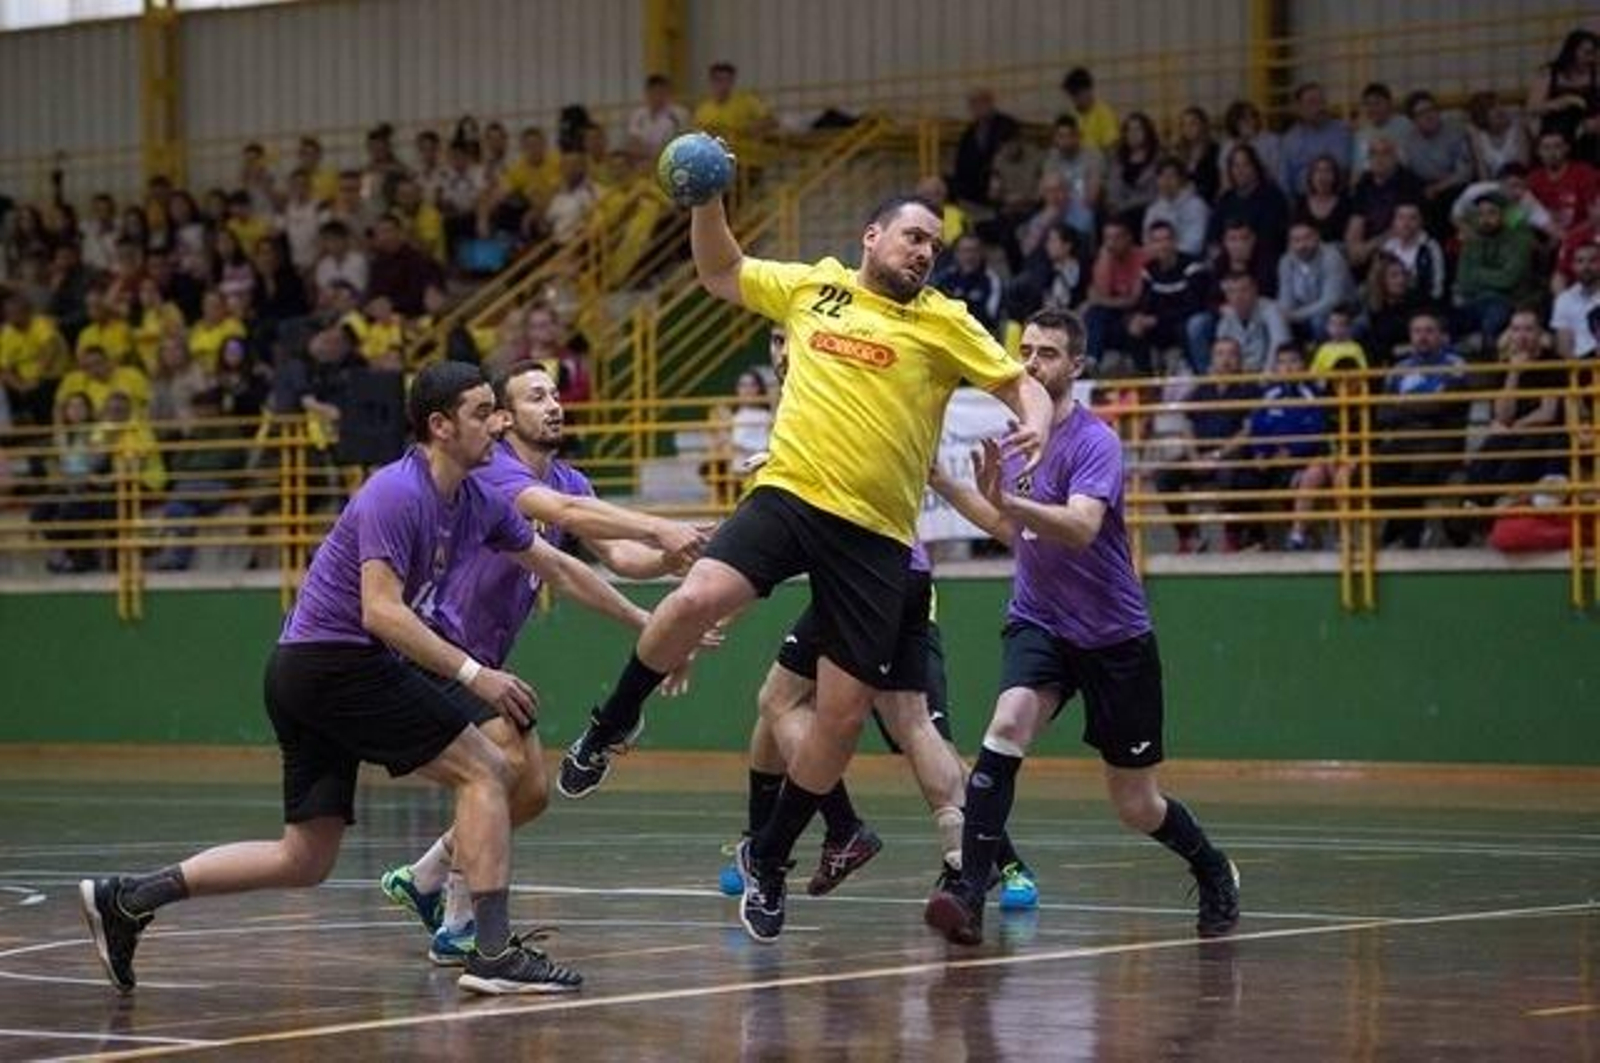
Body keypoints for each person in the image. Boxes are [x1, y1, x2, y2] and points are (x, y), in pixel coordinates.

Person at [557, 191, 1053, 945]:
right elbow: (720, 269)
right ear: (872, 234)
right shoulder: (812, 286)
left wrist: (1038, 425)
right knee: (698, 595)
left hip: (876, 538)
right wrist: (708, 200)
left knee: (842, 718)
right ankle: (612, 721)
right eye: (913, 236)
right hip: (790, 495)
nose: (924, 251)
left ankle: (770, 857)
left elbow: (1020, 382)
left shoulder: (945, 322)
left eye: (934, 245)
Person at [78, 362, 612, 997]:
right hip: (337, 663)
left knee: (304, 859)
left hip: (309, 670)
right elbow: (380, 611)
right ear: (440, 426)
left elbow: (555, 559)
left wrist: (654, 596)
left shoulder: (472, 499)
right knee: (486, 771)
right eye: (482, 412)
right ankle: (488, 951)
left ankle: (129, 899)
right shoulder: (397, 492)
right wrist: (477, 674)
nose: (496, 424)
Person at [922, 309, 1239, 946]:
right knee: (1007, 723)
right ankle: (969, 893)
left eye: (1047, 354)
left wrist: (1010, 500)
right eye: (1026, 351)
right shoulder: (1014, 439)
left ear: (1076, 367)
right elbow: (1010, 528)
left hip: (1115, 636)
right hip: (1040, 621)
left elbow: (1079, 526)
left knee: (1135, 805)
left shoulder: (1097, 441)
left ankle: (1210, 865)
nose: (1032, 363)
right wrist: (940, 479)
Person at [379, 361, 711, 964]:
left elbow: (615, 556)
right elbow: (564, 516)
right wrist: (663, 530)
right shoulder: (494, 474)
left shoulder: (571, 479)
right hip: (438, 645)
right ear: (503, 419)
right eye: (536, 397)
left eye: (556, 394)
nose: (554, 405)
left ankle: (425, 877)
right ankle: (459, 925)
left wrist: (681, 567)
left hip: (487, 657)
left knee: (528, 794)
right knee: (500, 760)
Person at [722, 335, 1040, 908]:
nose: (779, 348)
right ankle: (961, 854)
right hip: (889, 573)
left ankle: (842, 828)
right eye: (771, 339)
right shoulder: (820, 394)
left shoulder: (847, 384)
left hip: (871, 574)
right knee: (908, 723)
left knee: (782, 702)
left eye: (785, 336)